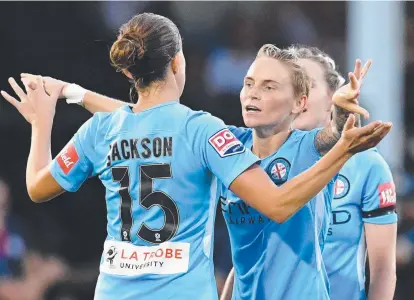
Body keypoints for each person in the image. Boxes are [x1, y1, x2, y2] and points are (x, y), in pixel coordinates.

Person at [13, 15, 390, 300]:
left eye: (268, 86)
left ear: (128, 69)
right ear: (178, 63)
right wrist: (345, 149)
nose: (253, 94)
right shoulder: (207, 133)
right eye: (248, 83)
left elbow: (37, 186)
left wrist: (46, 116)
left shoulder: (104, 130)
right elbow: (276, 202)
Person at [291, 45, 397, 300]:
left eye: (308, 84)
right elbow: (245, 260)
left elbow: (383, 270)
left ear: (333, 96)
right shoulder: (262, 161)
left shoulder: (366, 165)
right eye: (291, 85)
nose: (299, 94)